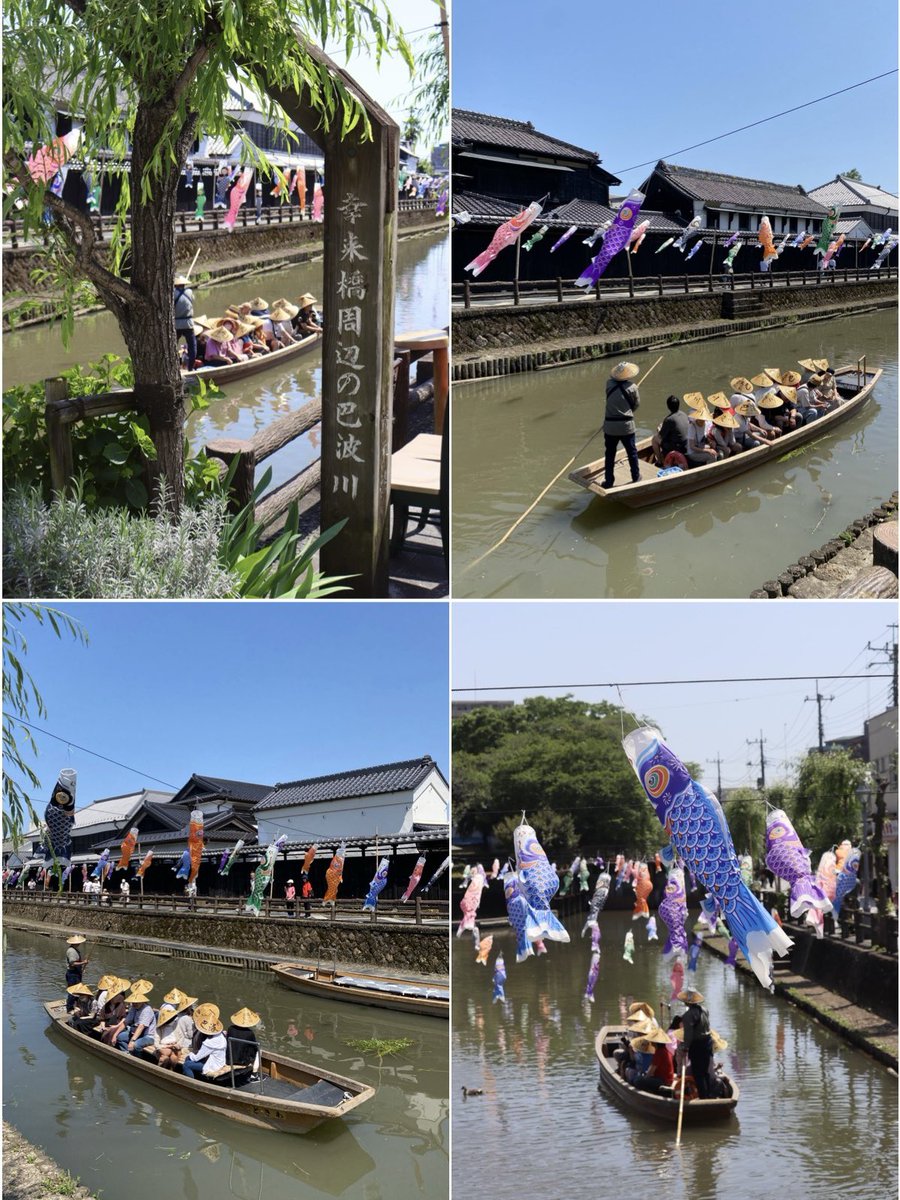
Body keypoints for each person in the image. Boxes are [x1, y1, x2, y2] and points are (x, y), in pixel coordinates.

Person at [602, 362, 642, 489]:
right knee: (632, 452)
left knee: (610, 454)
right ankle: (635, 477)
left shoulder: (609, 384)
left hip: (610, 426)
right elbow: (636, 405)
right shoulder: (633, 387)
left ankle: (609, 481)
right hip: (626, 426)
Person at [679, 987, 714, 1099]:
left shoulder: (688, 1016)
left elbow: (688, 1035)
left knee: (698, 1073)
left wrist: (685, 1048)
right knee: (705, 1071)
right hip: (708, 1042)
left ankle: (704, 1097)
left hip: (698, 1045)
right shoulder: (705, 1010)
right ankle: (709, 1095)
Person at [182, 1004, 228, 1079]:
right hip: (220, 1062)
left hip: (212, 1065)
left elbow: (196, 1058)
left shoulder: (209, 1043)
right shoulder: (221, 1035)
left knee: (187, 1064)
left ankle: (192, 1082)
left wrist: (189, 1055)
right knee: (190, 1060)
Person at [155, 989, 197, 1070]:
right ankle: (162, 1069)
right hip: (166, 1047)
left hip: (175, 1045)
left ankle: (171, 1070)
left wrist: (176, 1045)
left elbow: (180, 1037)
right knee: (166, 1055)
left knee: (173, 1057)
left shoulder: (176, 1019)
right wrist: (166, 1046)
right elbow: (190, 1035)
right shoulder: (186, 1019)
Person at [632, 1026, 676, 1093]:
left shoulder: (659, 1052)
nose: (651, 1043)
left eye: (652, 1041)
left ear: (655, 1042)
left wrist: (644, 1078)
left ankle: (650, 1092)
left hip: (664, 1081)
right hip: (665, 1079)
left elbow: (651, 1072)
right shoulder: (666, 1051)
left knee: (637, 1080)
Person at [116, 988, 157, 1055]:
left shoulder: (147, 1010)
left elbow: (141, 1026)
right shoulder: (133, 1008)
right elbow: (126, 1022)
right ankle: (127, 1053)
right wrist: (115, 1035)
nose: (135, 1004)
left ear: (142, 1001)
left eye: (137, 1002)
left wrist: (132, 1040)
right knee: (120, 1037)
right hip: (136, 1032)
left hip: (148, 1035)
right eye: (134, 1002)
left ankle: (138, 1058)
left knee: (136, 1045)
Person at [651, 395, 690, 465]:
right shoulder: (683, 414)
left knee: (654, 439)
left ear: (668, 406)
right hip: (687, 445)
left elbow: (660, 436)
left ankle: (660, 462)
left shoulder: (669, 419)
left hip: (678, 448)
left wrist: (659, 429)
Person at [225, 1007, 261, 1076]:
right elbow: (254, 1048)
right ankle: (254, 1073)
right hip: (242, 1061)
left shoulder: (230, 1028)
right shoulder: (249, 1033)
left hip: (229, 1059)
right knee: (259, 1050)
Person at [96, 977, 130, 1045]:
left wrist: (117, 1026)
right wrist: (103, 1026)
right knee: (105, 1033)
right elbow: (102, 1019)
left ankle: (110, 1045)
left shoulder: (121, 1005)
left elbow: (124, 1018)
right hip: (108, 1026)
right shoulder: (106, 1006)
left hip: (118, 1025)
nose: (118, 997)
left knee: (111, 1032)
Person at [173, 274, 196, 368]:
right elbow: (192, 300)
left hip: (176, 324)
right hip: (188, 324)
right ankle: (190, 368)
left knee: (172, 346)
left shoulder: (172, 293)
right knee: (192, 346)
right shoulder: (189, 292)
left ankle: (175, 366)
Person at [65, 935, 88, 1011]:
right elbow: (73, 963)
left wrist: (81, 968)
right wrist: (83, 963)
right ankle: (70, 1008)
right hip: (72, 974)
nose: (79, 944)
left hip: (76, 973)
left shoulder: (75, 949)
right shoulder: (71, 951)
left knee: (78, 990)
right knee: (73, 991)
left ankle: (76, 1005)